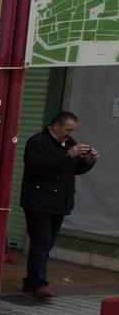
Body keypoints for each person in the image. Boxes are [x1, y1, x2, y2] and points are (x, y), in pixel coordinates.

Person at [20, 111, 100, 299]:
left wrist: (88, 161)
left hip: (59, 202)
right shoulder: (37, 142)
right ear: (55, 126)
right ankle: (38, 284)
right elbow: (38, 166)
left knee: (46, 244)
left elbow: (74, 169)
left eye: (72, 130)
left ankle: (31, 281)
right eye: (67, 129)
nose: (70, 134)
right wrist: (68, 154)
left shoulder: (69, 143)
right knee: (41, 242)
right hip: (38, 201)